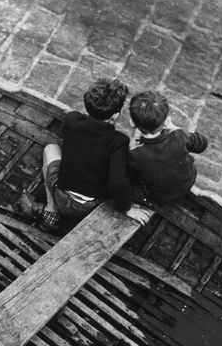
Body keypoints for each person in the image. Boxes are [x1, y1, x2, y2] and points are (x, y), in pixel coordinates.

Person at [20, 78, 146, 232]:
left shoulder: (72, 120)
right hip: (90, 207)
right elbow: (118, 181)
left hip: (61, 197)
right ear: (115, 116)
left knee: (50, 149)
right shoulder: (119, 141)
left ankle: (51, 209)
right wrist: (127, 209)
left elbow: (72, 117)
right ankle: (54, 211)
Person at [128, 90, 208, 208]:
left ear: (132, 123)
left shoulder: (135, 154)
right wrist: (174, 128)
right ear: (166, 120)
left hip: (161, 197)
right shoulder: (180, 136)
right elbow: (202, 143)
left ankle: (144, 202)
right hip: (188, 181)